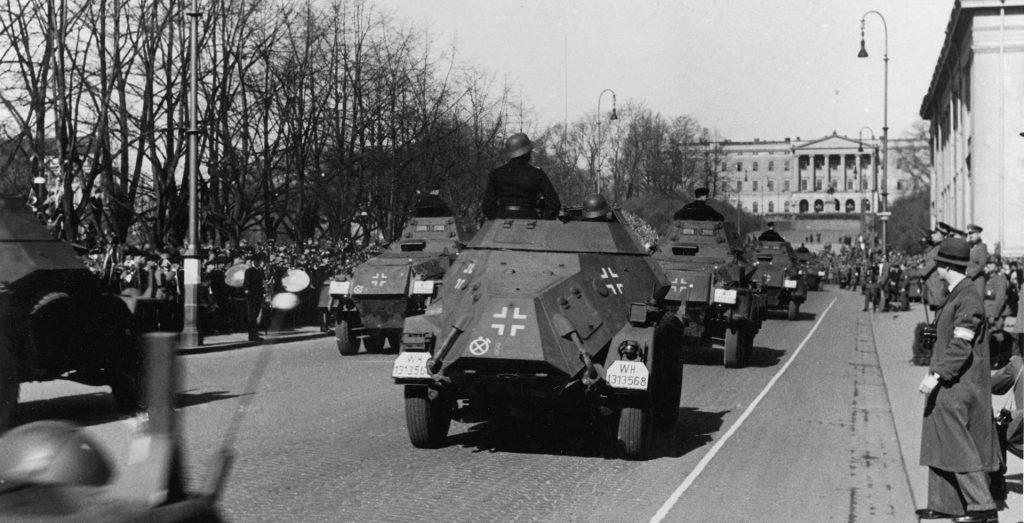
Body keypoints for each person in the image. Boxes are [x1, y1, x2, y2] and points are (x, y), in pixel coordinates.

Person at [915, 237, 1000, 523]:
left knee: (956, 443)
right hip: (951, 380)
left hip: (959, 384)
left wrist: (937, 375)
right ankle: (945, 504)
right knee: (939, 440)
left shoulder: (967, 296)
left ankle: (981, 505)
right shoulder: (957, 292)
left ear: (947, 265)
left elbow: (962, 345)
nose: (935, 265)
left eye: (938, 261)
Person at [481, 132, 561, 220]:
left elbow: (487, 205)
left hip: (501, 223)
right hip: (530, 223)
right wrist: (543, 222)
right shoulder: (536, 173)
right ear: (526, 153)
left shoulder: (497, 173)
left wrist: (497, 219)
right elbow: (554, 203)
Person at [922, 223, 950, 309]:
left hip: (937, 287)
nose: (933, 235)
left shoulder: (939, 248)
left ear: (943, 236)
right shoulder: (935, 248)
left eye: (936, 233)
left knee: (940, 313)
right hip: (934, 286)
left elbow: (929, 266)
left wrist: (919, 272)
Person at [966, 223, 989, 298]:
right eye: (969, 233)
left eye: (972, 233)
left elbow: (981, 265)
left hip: (977, 280)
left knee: (977, 302)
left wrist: (969, 274)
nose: (970, 235)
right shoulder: (969, 246)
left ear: (979, 234)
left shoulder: (982, 247)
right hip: (967, 279)